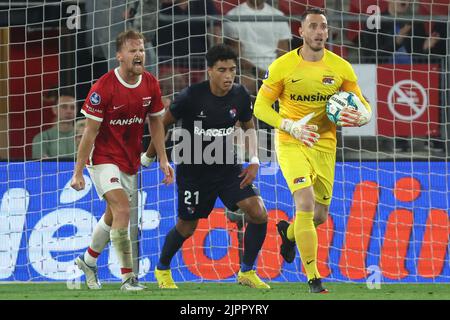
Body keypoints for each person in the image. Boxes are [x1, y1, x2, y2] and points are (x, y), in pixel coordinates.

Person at [253, 7, 372, 293]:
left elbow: (362, 103)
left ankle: (289, 233)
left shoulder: (340, 67)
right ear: (301, 32)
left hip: (324, 144)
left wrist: (364, 116)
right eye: (314, 27)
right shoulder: (283, 66)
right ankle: (313, 277)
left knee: (318, 216)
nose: (320, 32)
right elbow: (259, 107)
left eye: (324, 27)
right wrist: (289, 126)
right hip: (292, 141)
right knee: (304, 204)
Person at [141, 43, 270, 289]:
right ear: (209, 70)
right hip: (194, 172)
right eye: (222, 70)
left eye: (232, 69)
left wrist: (254, 161)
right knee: (186, 227)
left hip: (227, 168)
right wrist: (152, 157)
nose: (229, 75)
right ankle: (163, 269)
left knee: (258, 212)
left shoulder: (240, 95)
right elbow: (162, 123)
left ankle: (247, 271)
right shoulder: (191, 96)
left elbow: (248, 125)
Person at [70, 30, 174, 291]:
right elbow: (89, 132)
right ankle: (128, 278)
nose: (139, 54)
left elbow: (157, 123)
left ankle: (88, 261)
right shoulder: (103, 88)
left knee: (112, 214)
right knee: (123, 210)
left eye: (141, 49)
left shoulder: (150, 83)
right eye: (132, 50)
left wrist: (163, 159)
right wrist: (78, 172)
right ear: (119, 56)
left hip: (130, 159)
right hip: (103, 158)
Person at [359, 0, 446, 153]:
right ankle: (399, 137)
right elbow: (370, 56)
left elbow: (420, 57)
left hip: (413, 75)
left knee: (432, 78)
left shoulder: (415, 23)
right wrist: (396, 41)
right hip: (384, 74)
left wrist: (426, 48)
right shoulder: (375, 22)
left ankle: (432, 136)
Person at [223, 0, 292, 96]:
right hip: (246, 71)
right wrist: (257, 72)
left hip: (273, 69)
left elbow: (283, 52)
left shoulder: (278, 16)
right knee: (246, 85)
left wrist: (274, 73)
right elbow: (236, 55)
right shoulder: (233, 15)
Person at [32, 94, 76, 160]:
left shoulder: (83, 136)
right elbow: (41, 166)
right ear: (54, 109)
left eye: (72, 107)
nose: (69, 111)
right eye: (64, 107)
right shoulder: (42, 138)